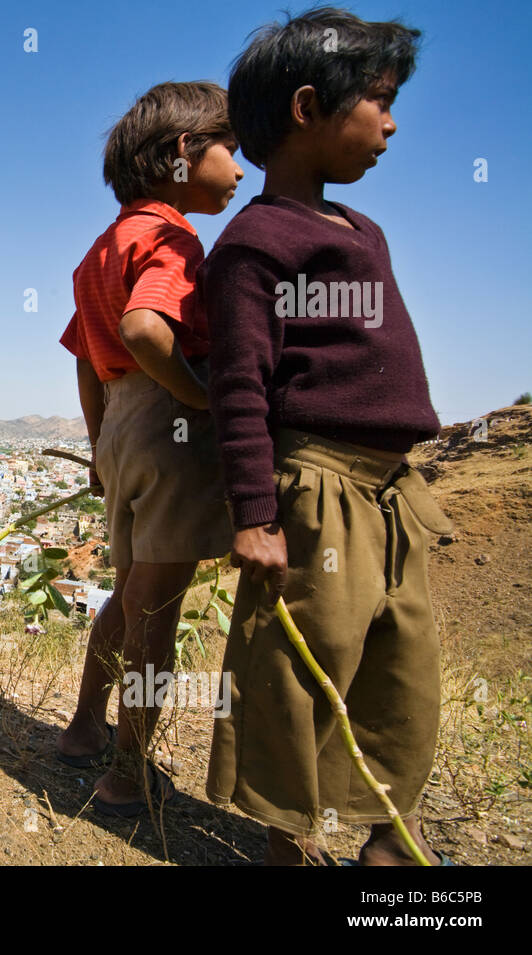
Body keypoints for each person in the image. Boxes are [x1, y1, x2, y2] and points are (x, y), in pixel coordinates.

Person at [202, 7, 452, 864]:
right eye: (378, 100)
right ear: (308, 107)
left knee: (405, 672)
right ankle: (285, 840)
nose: (391, 122)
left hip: (393, 495)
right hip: (317, 493)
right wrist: (256, 514)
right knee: (297, 673)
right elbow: (240, 388)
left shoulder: (362, 231)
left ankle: (388, 843)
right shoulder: (253, 244)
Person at [57, 81, 242, 815]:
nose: (240, 168)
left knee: (131, 592)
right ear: (180, 155)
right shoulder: (174, 239)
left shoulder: (100, 249)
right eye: (229, 149)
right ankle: (128, 775)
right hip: (170, 425)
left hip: (120, 427)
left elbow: (83, 354)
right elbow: (144, 330)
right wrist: (201, 396)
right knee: (157, 610)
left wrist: (99, 440)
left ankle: (81, 728)